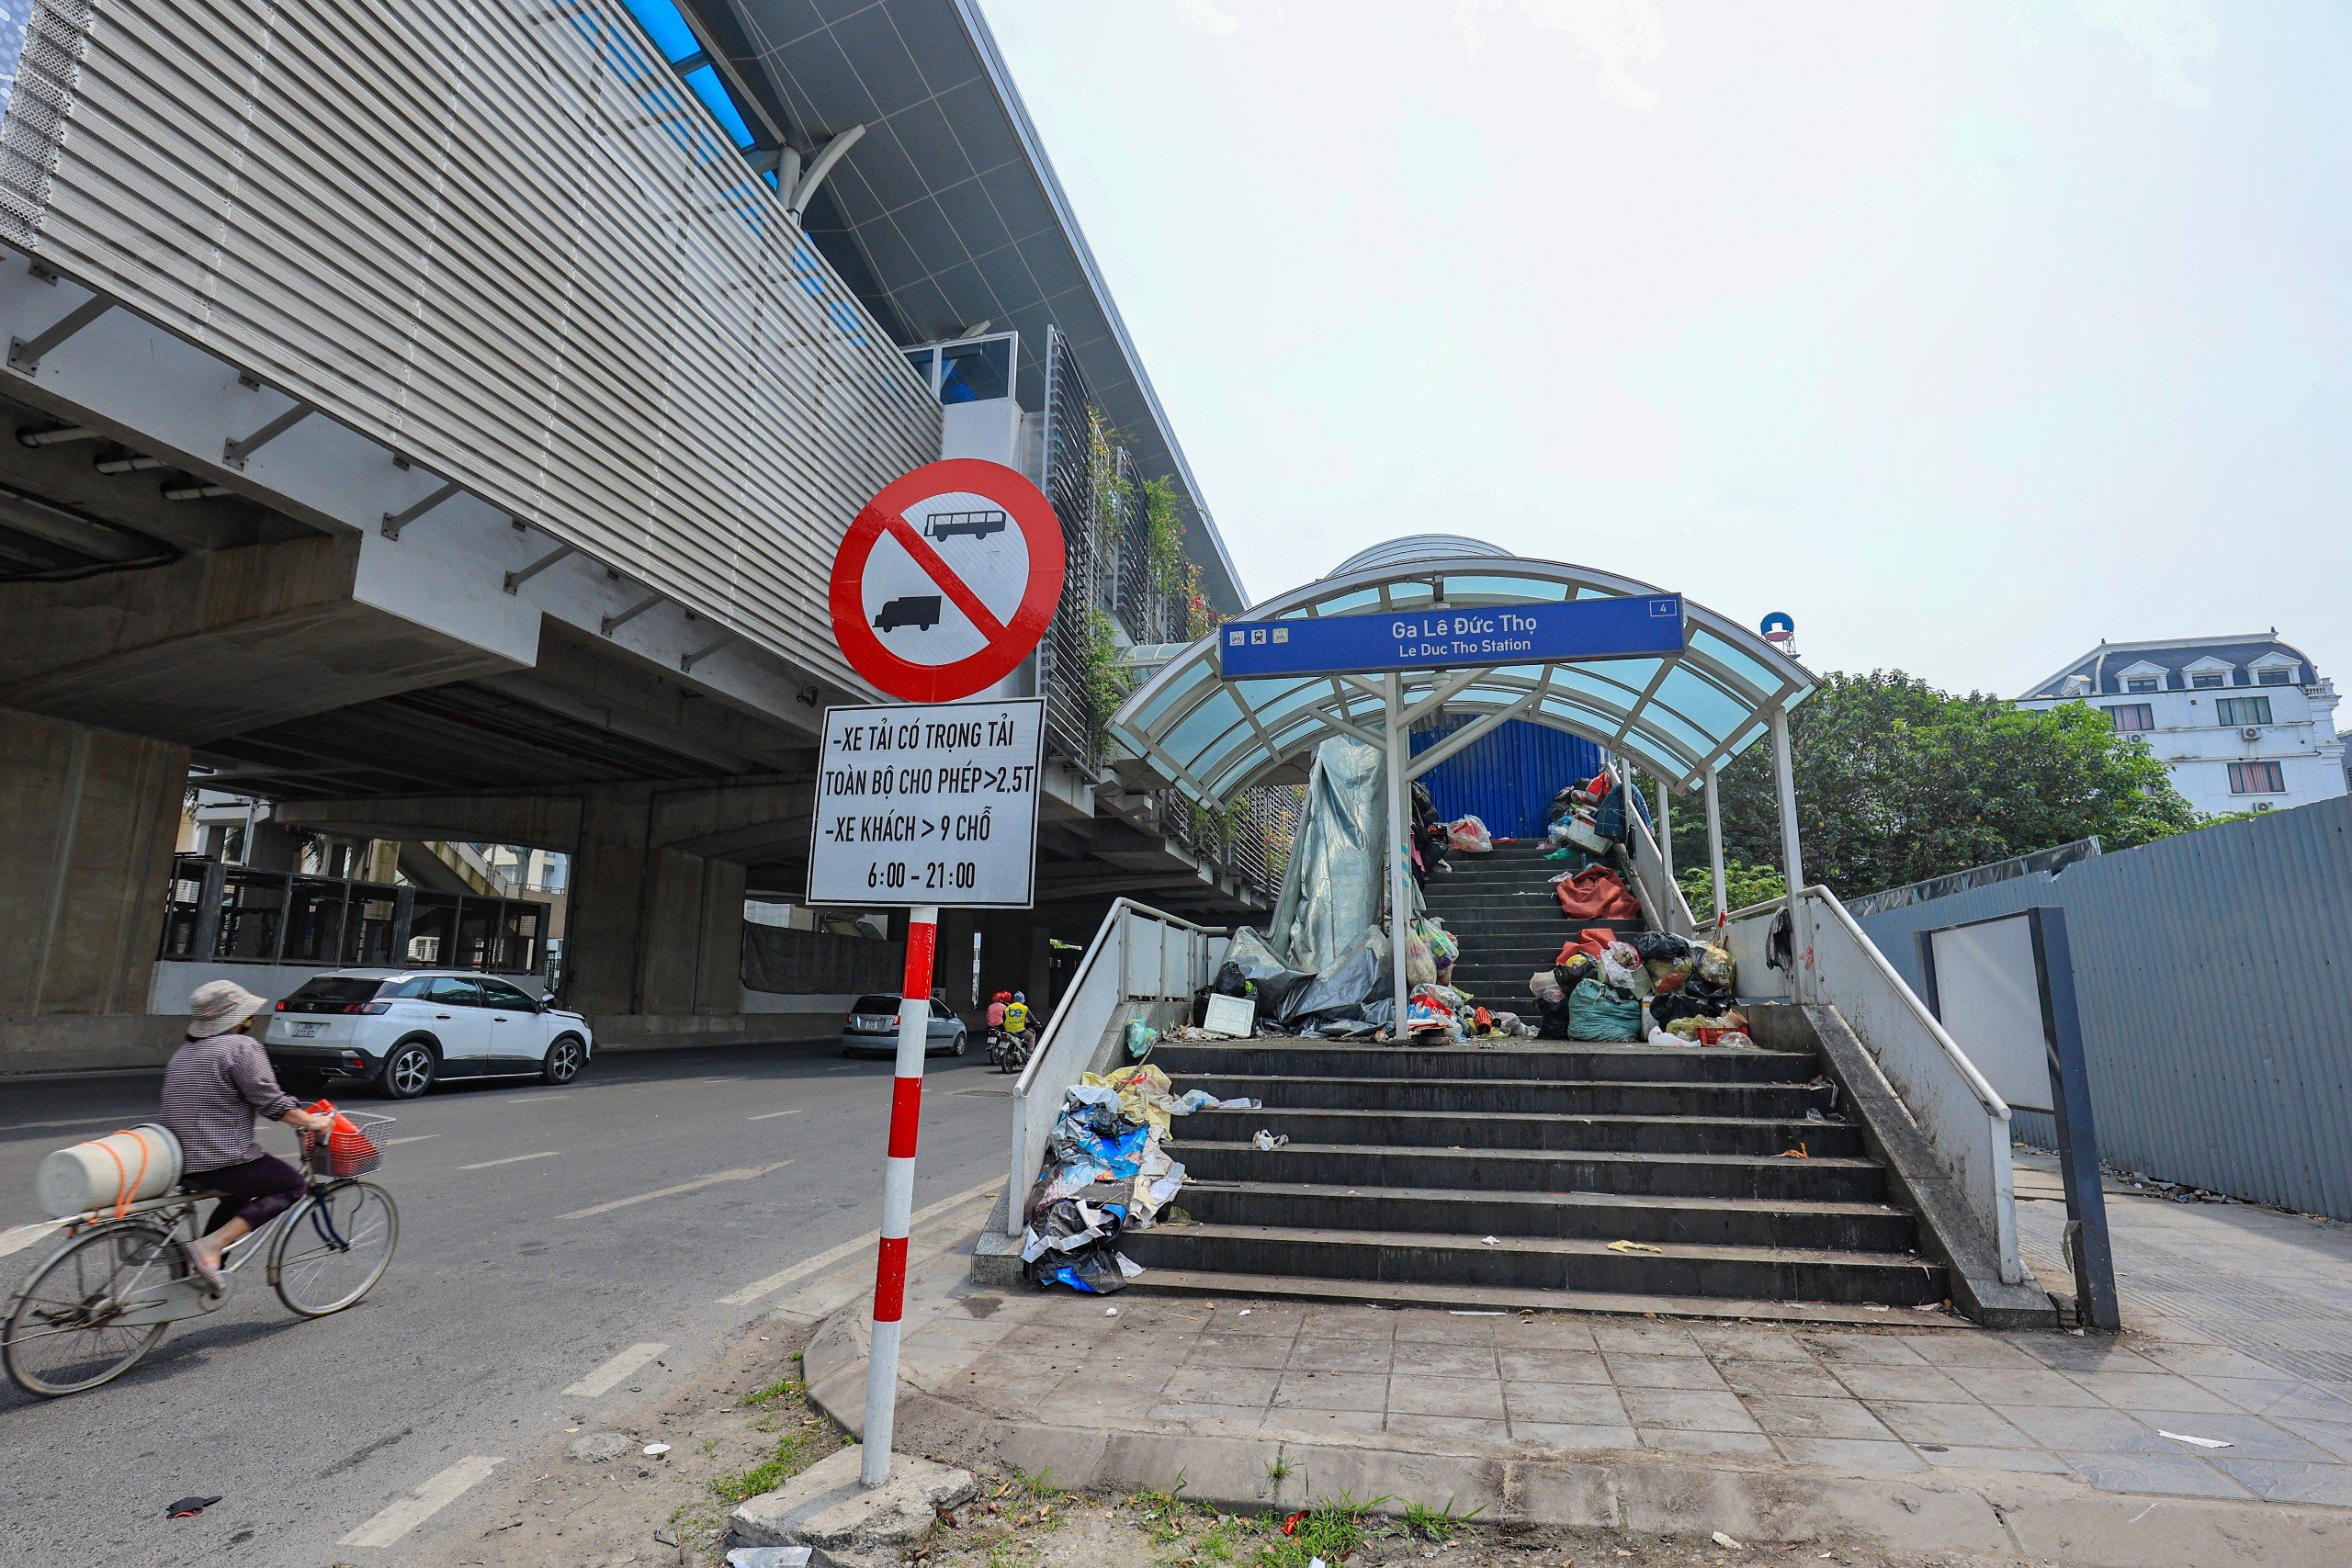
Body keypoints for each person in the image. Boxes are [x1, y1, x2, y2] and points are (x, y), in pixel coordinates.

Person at [158, 980, 334, 1292]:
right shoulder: (241, 1047)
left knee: (239, 1194)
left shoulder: (183, 1052)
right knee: (291, 1185)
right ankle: (209, 1247)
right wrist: (313, 1122)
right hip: (221, 1159)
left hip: (179, 1160)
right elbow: (271, 1102)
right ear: (240, 1019)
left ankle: (208, 1265)